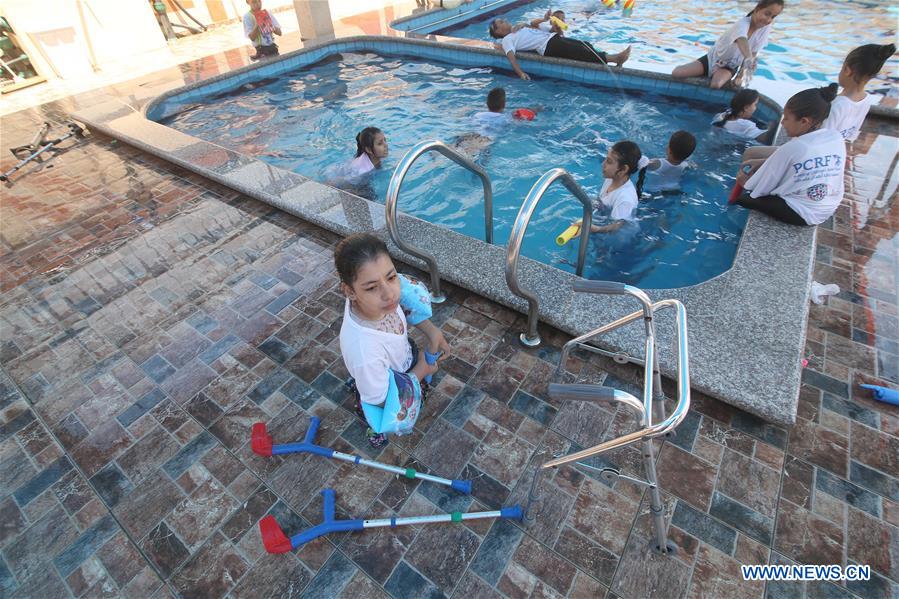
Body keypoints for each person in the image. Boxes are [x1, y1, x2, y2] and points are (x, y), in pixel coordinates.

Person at [336, 234, 450, 447]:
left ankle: (363, 382)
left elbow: (406, 306)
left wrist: (432, 331)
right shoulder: (364, 351)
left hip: (400, 357)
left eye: (391, 277)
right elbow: (381, 399)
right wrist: (423, 370)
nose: (390, 294)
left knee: (370, 379)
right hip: (388, 388)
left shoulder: (376, 301)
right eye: (371, 288)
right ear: (349, 291)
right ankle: (373, 425)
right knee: (372, 401)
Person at [733, 85, 845, 226]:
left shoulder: (795, 147)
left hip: (802, 213)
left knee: (743, 200)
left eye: (786, 118)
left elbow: (760, 188)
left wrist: (745, 181)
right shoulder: (836, 137)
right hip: (828, 205)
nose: (782, 123)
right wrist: (763, 162)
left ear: (804, 121)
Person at [672, 0, 783, 89]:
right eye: (767, 14)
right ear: (757, 9)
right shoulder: (742, 24)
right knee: (677, 73)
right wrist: (748, 57)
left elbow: (753, 52)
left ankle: (716, 77)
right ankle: (701, 74)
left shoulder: (765, 28)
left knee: (716, 84)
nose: (768, 19)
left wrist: (740, 76)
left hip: (729, 67)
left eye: (773, 17)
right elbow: (742, 40)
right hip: (712, 60)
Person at [488, 18, 630, 80]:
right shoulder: (508, 39)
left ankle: (613, 59)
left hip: (552, 39)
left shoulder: (519, 28)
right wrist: (520, 73)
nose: (505, 21)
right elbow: (511, 56)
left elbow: (545, 29)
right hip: (547, 46)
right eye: (501, 22)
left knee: (583, 44)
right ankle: (615, 58)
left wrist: (554, 28)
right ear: (499, 31)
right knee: (579, 52)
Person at [824, 43, 896, 142]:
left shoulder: (836, 105)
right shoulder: (866, 100)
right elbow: (852, 134)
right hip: (840, 152)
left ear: (847, 70)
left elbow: (821, 138)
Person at [571, 141, 644, 237]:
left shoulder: (625, 199)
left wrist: (595, 229)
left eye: (609, 162)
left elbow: (617, 226)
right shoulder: (611, 179)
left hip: (620, 241)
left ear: (623, 169)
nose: (603, 164)